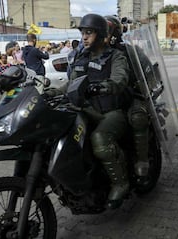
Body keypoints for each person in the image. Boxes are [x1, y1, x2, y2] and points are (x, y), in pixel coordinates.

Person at [63, 14, 130, 209]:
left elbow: (120, 79)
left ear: (101, 35)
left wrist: (101, 87)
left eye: (89, 32)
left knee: (99, 139)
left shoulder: (116, 55)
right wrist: (49, 92)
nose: (84, 37)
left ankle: (121, 183)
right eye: (83, 33)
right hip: (88, 110)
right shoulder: (82, 57)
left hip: (111, 111)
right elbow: (71, 82)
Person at [104, 15, 151, 179]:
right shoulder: (90, 52)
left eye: (107, 30)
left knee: (138, 116)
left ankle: (142, 160)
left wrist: (144, 85)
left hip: (129, 95)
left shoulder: (129, 50)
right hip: (101, 98)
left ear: (115, 32)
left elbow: (148, 69)